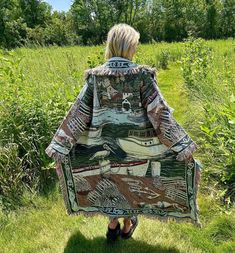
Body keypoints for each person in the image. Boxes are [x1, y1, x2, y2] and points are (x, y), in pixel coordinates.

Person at [45, 23, 202, 244]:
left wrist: (60, 145)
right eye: (135, 45)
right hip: (133, 149)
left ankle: (112, 225)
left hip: (104, 146)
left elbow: (79, 112)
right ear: (129, 47)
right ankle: (127, 224)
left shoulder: (95, 78)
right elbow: (160, 115)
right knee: (129, 183)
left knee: (109, 180)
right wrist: (182, 146)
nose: (136, 50)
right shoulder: (142, 76)